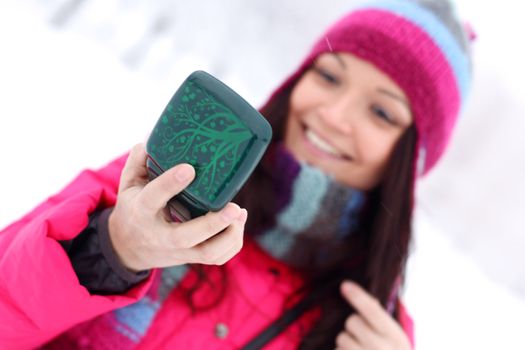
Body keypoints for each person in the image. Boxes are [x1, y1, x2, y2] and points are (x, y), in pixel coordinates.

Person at [0, 0, 474, 349]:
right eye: (329, 76)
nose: (333, 114)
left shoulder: (370, 327)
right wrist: (112, 250)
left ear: (411, 160)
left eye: (381, 113)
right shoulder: (150, 186)